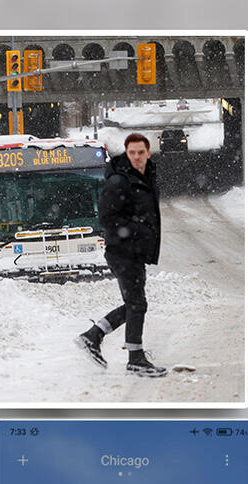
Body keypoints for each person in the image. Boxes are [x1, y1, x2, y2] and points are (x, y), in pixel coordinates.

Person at [75, 133, 166, 377]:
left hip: (135, 252)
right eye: (132, 152)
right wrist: (137, 230)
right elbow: (106, 217)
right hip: (122, 251)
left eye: (141, 152)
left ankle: (93, 336)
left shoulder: (145, 177)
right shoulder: (119, 181)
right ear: (127, 153)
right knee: (137, 304)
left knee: (134, 304)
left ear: (148, 153)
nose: (137, 157)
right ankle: (135, 358)